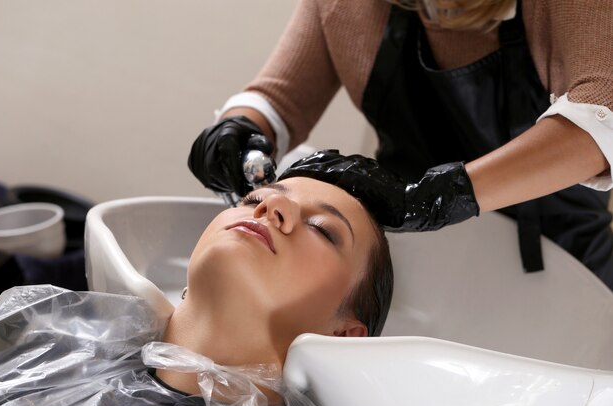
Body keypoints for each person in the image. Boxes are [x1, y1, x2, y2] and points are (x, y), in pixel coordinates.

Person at [188, 0, 613, 289]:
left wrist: (435, 197)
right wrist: (239, 127)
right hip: (407, 263)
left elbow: (599, 121)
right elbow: (281, 98)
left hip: (562, 268)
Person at [0, 151, 394, 406]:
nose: (272, 206)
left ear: (345, 336)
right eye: (253, 200)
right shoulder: (50, 337)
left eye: (323, 230)